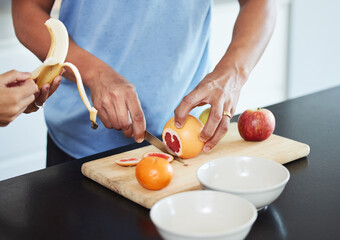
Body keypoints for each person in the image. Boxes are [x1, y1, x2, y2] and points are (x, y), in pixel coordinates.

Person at [12, 0, 276, 166]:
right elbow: (26, 10)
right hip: (78, 144)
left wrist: (233, 74)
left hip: (191, 145)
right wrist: (94, 73)